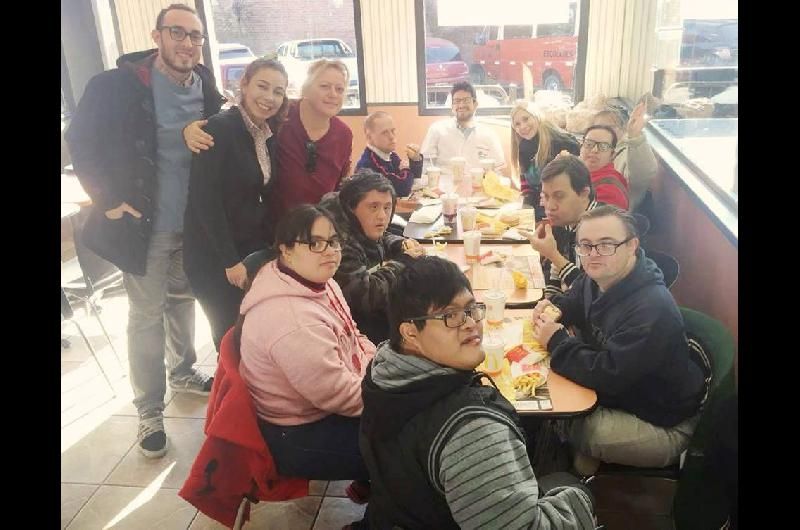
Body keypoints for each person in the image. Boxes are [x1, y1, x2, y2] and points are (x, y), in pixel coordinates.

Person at [65, 3, 222, 458]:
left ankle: (183, 370)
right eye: (178, 32)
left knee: (182, 301)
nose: (188, 43)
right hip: (146, 227)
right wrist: (106, 198)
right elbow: (80, 140)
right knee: (146, 315)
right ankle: (149, 410)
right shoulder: (116, 85)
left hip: (192, 226)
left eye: (195, 36)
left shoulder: (205, 84)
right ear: (157, 37)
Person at [359, 256, 597, 529]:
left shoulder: (382, 374)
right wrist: (581, 500)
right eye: (450, 315)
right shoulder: (473, 430)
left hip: (397, 515)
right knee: (572, 484)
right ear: (410, 333)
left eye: (471, 309)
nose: (471, 323)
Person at [531, 205, 704, 475]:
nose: (593, 254)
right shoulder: (598, 277)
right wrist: (554, 309)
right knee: (559, 404)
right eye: (586, 245)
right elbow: (574, 301)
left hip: (660, 421)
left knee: (566, 418)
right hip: (623, 394)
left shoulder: (651, 309)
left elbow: (608, 374)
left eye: (606, 245)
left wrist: (557, 341)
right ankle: (582, 457)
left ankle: (582, 466)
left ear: (632, 246)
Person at [237, 204, 376, 485]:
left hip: (321, 404)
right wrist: (394, 395)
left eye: (334, 241)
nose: (330, 251)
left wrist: (378, 363)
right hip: (297, 434)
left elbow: (353, 334)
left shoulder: (313, 280)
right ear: (286, 249)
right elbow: (337, 395)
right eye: (315, 243)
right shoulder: (292, 320)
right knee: (404, 446)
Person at [183, 59, 288, 351]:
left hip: (247, 250)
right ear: (244, 84)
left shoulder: (266, 134)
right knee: (230, 339)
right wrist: (229, 261)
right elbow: (204, 201)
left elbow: (255, 195)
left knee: (254, 337)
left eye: (278, 91)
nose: (269, 97)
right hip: (214, 256)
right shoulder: (219, 128)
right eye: (262, 86)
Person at [185, 59, 353, 223]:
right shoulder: (281, 115)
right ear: (306, 88)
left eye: (340, 89)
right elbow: (243, 117)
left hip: (317, 229)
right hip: (271, 227)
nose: (333, 94)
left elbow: (338, 188)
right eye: (324, 86)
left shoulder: (344, 135)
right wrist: (189, 130)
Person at [319, 170, 425, 345]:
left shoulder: (358, 225)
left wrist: (399, 244)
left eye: (387, 207)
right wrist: (402, 262)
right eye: (373, 207)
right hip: (359, 339)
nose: (382, 216)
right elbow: (367, 296)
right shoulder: (337, 245)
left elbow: (382, 236)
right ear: (351, 208)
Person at [519, 155, 603, 299]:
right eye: (546, 196)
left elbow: (590, 294)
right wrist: (549, 302)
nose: (550, 206)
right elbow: (556, 277)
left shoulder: (601, 231)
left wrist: (553, 255)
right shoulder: (565, 221)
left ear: (584, 194)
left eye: (559, 196)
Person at [511, 101, 580, 218]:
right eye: (517, 124)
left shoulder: (563, 142)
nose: (522, 126)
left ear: (536, 115)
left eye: (526, 119)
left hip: (560, 208)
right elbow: (525, 183)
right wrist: (526, 204)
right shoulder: (524, 146)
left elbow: (575, 185)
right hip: (537, 206)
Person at [420, 81, 506, 174]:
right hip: (445, 181)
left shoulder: (489, 134)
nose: (461, 105)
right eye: (457, 101)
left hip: (477, 181)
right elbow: (425, 163)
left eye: (466, 100)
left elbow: (497, 169)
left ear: (475, 104)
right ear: (452, 106)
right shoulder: (437, 129)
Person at [592, 103, 658, 212]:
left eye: (608, 128)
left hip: (613, 216)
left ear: (623, 129)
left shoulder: (628, 152)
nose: (602, 132)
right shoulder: (593, 149)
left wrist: (636, 138)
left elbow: (643, 173)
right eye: (597, 127)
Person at [355, 111, 423, 197]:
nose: (391, 136)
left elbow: (414, 180)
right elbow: (402, 189)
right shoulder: (368, 163)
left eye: (393, 131)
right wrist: (406, 169)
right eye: (384, 132)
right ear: (369, 137)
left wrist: (415, 160)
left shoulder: (390, 154)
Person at [579, 125, 629, 210]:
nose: (594, 150)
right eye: (589, 144)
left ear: (612, 155)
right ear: (581, 147)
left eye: (603, 147)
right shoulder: (579, 173)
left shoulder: (611, 192)